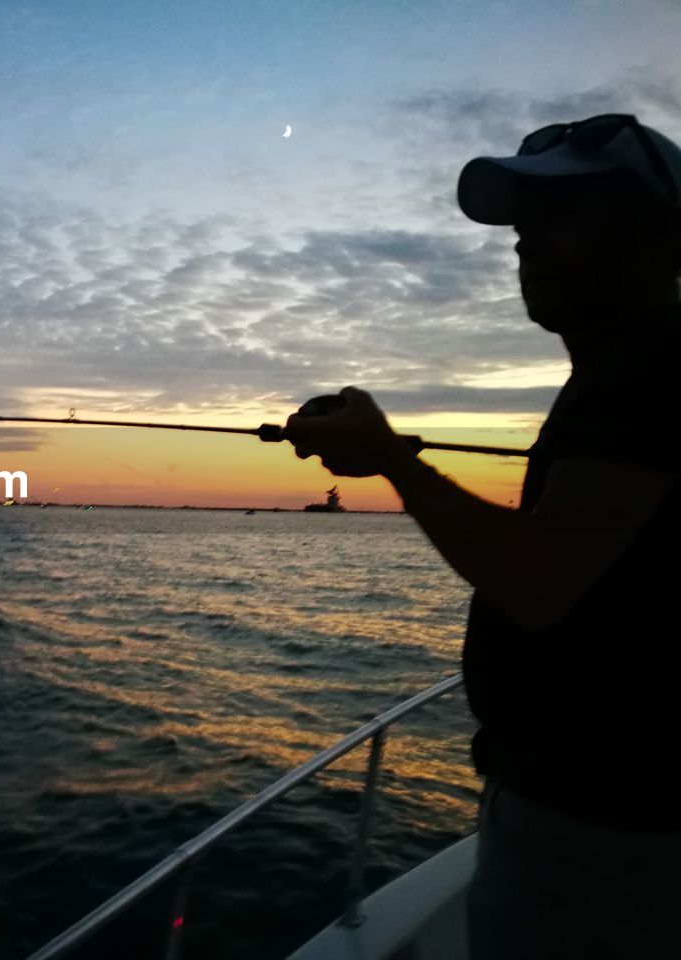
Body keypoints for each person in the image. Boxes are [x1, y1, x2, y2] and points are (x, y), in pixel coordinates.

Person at [282, 114, 681, 958]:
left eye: (564, 214)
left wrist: (391, 457)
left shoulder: (650, 374)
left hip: (602, 842)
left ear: (659, 236)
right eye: (525, 222)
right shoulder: (625, 377)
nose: (525, 242)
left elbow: (538, 580)